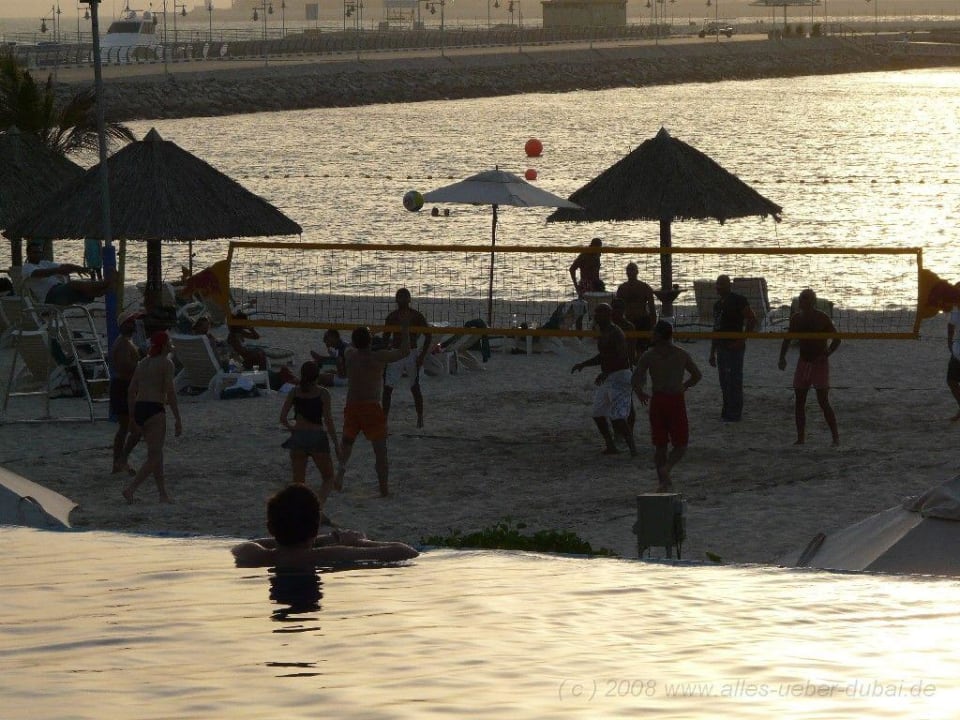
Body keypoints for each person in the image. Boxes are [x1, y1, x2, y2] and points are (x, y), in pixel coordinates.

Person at [231, 484, 419, 567]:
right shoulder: (326, 555)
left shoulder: (255, 555)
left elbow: (240, 546)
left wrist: (325, 539)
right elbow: (406, 552)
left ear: (271, 528)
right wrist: (360, 543)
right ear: (315, 529)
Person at [337, 319, 411, 497]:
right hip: (371, 407)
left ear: (355, 341)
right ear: (370, 342)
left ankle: (339, 477)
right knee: (380, 452)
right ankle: (384, 489)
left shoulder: (350, 355)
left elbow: (348, 345)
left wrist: (368, 336)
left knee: (347, 445)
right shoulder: (378, 357)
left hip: (353, 406)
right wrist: (405, 330)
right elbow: (405, 351)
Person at [633, 320, 702, 492]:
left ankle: (662, 481)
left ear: (659, 335)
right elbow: (697, 375)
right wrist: (685, 386)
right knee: (680, 444)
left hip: (658, 400)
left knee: (660, 444)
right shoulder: (681, 354)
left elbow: (636, 378)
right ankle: (668, 468)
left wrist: (640, 392)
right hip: (675, 399)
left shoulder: (649, 355)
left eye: (654, 333)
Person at [122, 331, 183, 503]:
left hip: (141, 408)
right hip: (155, 409)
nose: (171, 344)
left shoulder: (142, 363)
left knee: (156, 454)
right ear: (164, 346)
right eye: (169, 342)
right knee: (154, 456)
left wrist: (133, 416)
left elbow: (131, 390)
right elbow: (170, 392)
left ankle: (162, 493)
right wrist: (177, 418)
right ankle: (131, 489)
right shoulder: (166, 363)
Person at [570, 303, 636, 456]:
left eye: (599, 313)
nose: (595, 316)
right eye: (595, 313)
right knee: (598, 413)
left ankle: (632, 448)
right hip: (610, 375)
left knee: (618, 417)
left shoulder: (615, 332)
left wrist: (606, 372)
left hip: (620, 375)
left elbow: (621, 357)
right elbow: (603, 356)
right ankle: (610, 446)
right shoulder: (604, 332)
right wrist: (584, 364)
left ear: (608, 315)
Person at [778, 288, 841, 446]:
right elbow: (787, 338)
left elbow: (837, 339)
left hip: (819, 362)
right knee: (799, 401)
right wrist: (782, 357)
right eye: (800, 298)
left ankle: (835, 438)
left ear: (812, 301)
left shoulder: (822, 317)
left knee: (823, 401)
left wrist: (827, 353)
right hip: (803, 361)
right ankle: (801, 438)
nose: (801, 301)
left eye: (804, 298)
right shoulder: (796, 318)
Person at [279, 361, 341, 511]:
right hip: (316, 437)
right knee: (328, 478)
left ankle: (301, 512)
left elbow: (282, 418)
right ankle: (316, 509)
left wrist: (292, 429)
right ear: (317, 376)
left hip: (298, 437)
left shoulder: (294, 392)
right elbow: (328, 420)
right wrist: (335, 443)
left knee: (299, 484)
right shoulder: (322, 393)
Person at [708, 274, 757, 422]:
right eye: (718, 284)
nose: (719, 287)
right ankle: (727, 410)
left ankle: (734, 413)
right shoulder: (717, 305)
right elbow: (716, 329)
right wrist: (712, 352)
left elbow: (752, 319)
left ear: (729, 285)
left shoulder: (738, 300)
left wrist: (742, 340)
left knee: (734, 380)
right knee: (724, 380)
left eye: (722, 284)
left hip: (734, 345)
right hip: (722, 346)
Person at [382, 288, 431, 428]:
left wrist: (422, 356)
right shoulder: (392, 317)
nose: (402, 300)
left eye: (405, 297)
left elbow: (428, 336)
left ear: (409, 299)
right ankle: (384, 420)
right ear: (396, 300)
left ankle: (420, 418)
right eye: (400, 297)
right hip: (395, 353)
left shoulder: (416, 316)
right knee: (387, 388)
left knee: (415, 387)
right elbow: (385, 338)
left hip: (411, 353)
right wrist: (384, 356)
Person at [22, 239, 113, 305]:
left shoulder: (44, 263)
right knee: (73, 284)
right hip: (49, 297)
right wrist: (57, 271)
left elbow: (64, 266)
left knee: (86, 292)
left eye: (39, 252)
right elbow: (38, 273)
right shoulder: (26, 267)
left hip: (60, 291)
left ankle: (107, 288)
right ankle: (107, 283)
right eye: (34, 252)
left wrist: (78, 268)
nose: (37, 254)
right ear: (28, 253)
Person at [110, 310, 144, 476]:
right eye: (129, 323)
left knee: (124, 429)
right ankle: (121, 460)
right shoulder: (123, 343)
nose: (132, 325)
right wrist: (142, 364)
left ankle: (118, 462)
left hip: (123, 386)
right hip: (124, 387)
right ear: (123, 325)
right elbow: (125, 366)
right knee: (135, 430)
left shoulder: (126, 342)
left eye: (133, 323)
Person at [615, 261, 657, 352]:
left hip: (642, 320)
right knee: (631, 348)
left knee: (641, 348)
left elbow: (652, 310)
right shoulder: (622, 288)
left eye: (632, 270)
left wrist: (653, 326)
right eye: (629, 270)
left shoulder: (645, 287)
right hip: (629, 320)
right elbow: (616, 308)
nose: (630, 272)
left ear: (637, 272)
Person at [947, 299, 960, 421]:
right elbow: (950, 325)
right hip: (957, 352)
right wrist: (949, 341)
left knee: (952, 381)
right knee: (951, 381)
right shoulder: (956, 309)